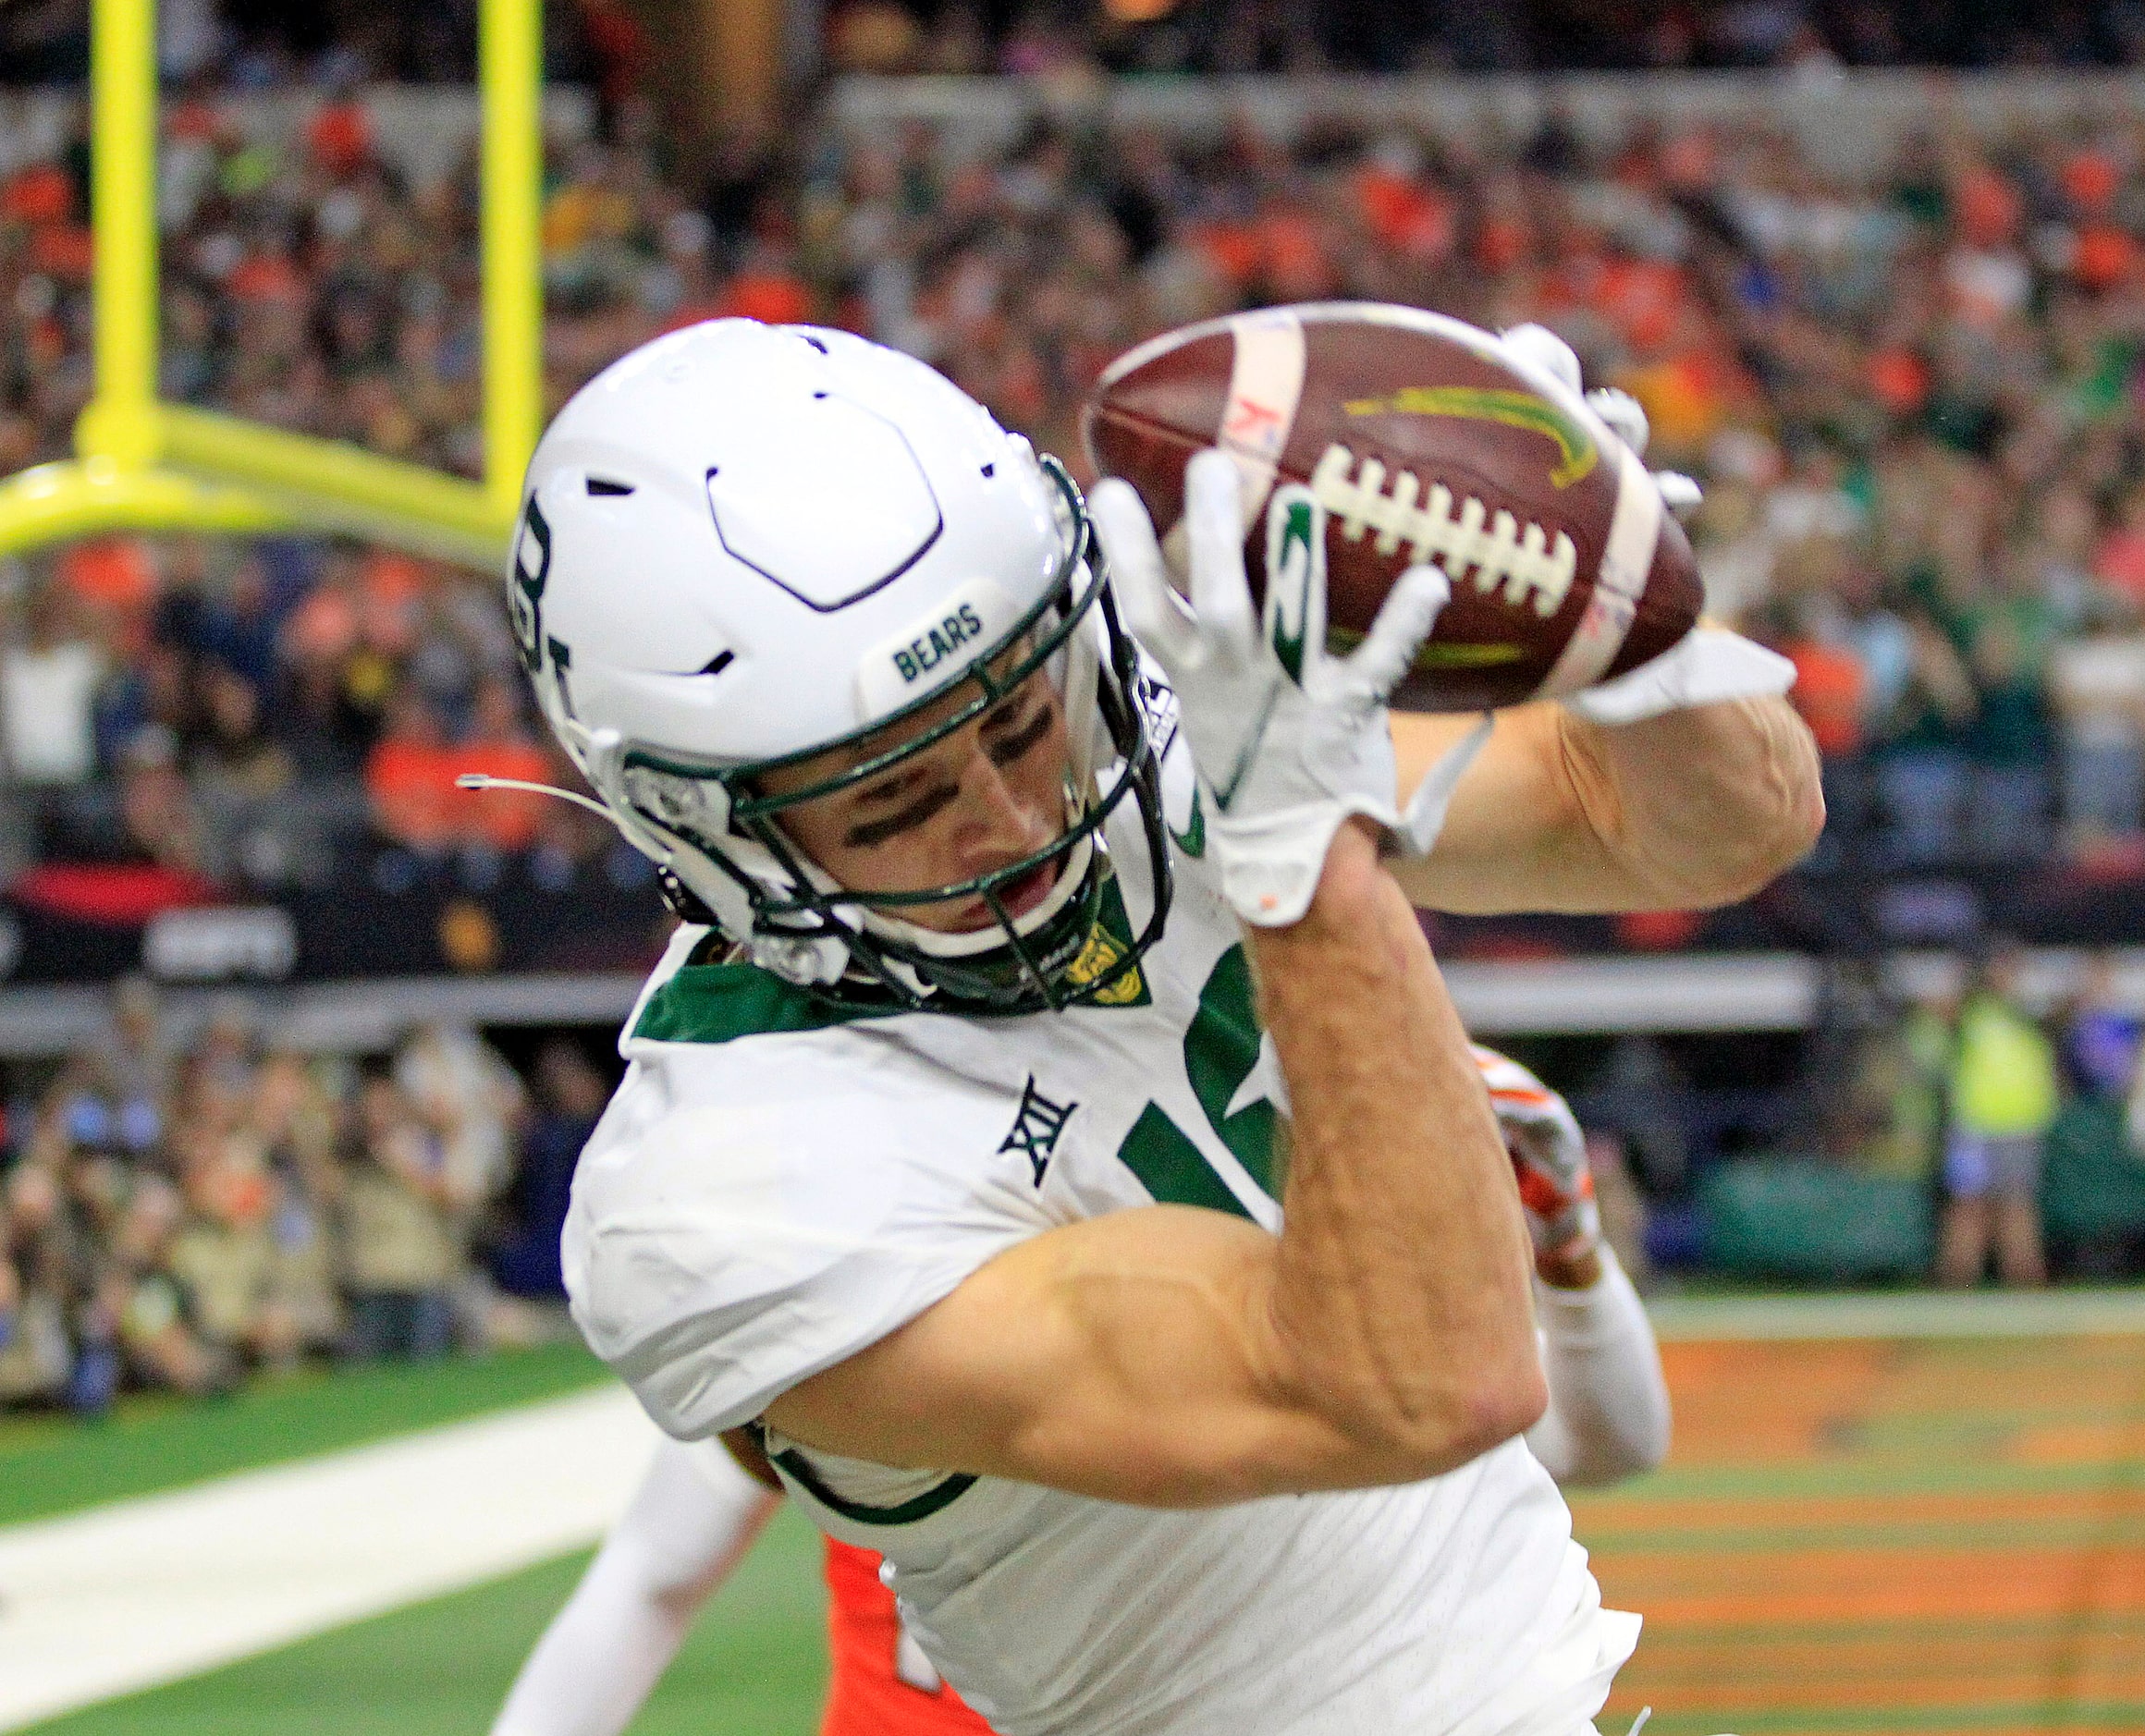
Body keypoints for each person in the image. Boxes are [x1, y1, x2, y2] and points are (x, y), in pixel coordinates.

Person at [523, 317, 1818, 1736]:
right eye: (894, 800)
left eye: (1020, 716)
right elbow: (1418, 1379)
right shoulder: (720, 1179)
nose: (1014, 817)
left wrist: (1626, 616)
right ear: (695, 826)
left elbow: (1716, 829)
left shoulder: (1166, 708)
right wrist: (1303, 861)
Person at [492, 1049, 1672, 1736]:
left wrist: (1563, 1237)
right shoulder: (871, 1287)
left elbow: (1586, 1438)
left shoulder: (1247, 1269)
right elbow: (651, 1574)